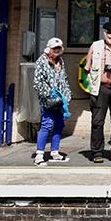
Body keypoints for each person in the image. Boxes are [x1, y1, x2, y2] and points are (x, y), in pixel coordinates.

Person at [84, 21, 111, 163]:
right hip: (100, 88)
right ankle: (97, 152)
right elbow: (86, 68)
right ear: (104, 33)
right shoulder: (95, 46)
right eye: (109, 32)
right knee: (97, 121)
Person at [33, 37, 72, 166]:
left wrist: (66, 96)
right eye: (54, 48)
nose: (56, 50)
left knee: (60, 124)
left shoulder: (61, 61)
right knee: (47, 124)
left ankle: (54, 152)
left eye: (59, 48)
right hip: (48, 99)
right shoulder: (41, 61)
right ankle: (39, 154)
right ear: (49, 49)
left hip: (60, 99)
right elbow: (38, 83)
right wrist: (49, 95)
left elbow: (64, 80)